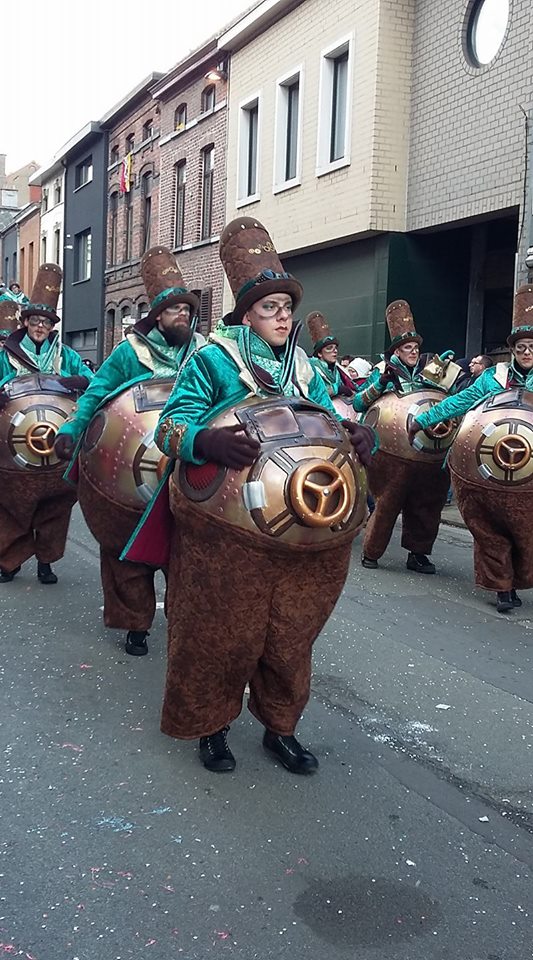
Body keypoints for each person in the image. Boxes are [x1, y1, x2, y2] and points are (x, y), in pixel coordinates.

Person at [126, 216, 376, 774]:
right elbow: (168, 426)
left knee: (292, 637)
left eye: (286, 307)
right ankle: (210, 726)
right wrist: (204, 440)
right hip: (223, 527)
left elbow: (334, 419)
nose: (283, 316)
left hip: (304, 526)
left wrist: (361, 435)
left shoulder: (308, 367)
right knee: (218, 631)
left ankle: (280, 727)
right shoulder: (214, 358)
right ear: (245, 313)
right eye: (270, 308)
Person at [54, 247, 203, 655]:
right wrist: (72, 427)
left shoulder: (205, 353)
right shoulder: (128, 353)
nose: (184, 317)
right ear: (157, 316)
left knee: (189, 552)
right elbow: (97, 392)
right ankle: (135, 624)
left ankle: (185, 622)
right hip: (128, 466)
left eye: (188, 310)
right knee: (127, 549)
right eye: (175, 311)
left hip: (189, 465)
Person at [408, 284, 533, 613]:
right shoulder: (494, 377)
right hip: (482, 469)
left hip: (528, 475)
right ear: (513, 350)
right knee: (488, 527)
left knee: (526, 529)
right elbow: (461, 402)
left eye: (532, 346)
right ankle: (502, 587)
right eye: (521, 347)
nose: (527, 352)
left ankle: (515, 578)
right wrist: (424, 420)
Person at [0, 264, 93, 584]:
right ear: (25, 323)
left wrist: (79, 379)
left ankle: (46, 561)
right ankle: (9, 561)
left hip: (56, 444)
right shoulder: (6, 354)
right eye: (35, 321)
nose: (40, 326)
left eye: (45, 322)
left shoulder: (65, 354)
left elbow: (93, 383)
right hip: (12, 449)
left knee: (56, 506)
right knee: (12, 505)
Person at [354, 299, 461, 575]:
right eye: (406, 348)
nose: (413, 352)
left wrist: (447, 375)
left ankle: (418, 554)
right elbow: (358, 403)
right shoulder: (382, 371)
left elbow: (453, 396)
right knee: (388, 501)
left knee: (428, 504)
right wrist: (380, 384)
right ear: (396, 351)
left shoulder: (430, 370)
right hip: (393, 451)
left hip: (430, 451)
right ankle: (372, 550)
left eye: (415, 348)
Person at [306, 312, 353, 397]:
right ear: (319, 353)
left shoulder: (338, 371)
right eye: (329, 348)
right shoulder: (310, 370)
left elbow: (357, 389)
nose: (334, 351)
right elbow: (310, 395)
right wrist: (336, 389)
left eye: (335, 348)